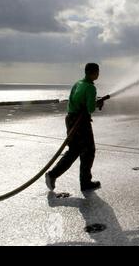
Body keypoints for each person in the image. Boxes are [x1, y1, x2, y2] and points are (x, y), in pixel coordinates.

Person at [45, 63, 106, 192]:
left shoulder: (78, 84)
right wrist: (97, 103)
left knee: (74, 151)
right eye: (98, 72)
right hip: (81, 123)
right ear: (94, 72)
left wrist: (93, 103)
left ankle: (52, 175)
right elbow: (90, 108)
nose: (99, 74)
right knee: (89, 151)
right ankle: (85, 182)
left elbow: (75, 101)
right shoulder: (90, 88)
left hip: (70, 120)